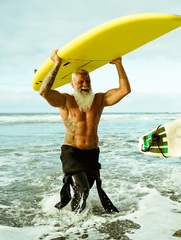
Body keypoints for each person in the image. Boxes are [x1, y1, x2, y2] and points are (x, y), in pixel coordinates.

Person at [39, 49, 131, 213]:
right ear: (72, 84)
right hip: (72, 152)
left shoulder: (99, 100)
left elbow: (124, 90)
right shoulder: (65, 100)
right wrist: (57, 64)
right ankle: (77, 225)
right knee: (82, 189)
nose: (85, 84)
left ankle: (71, 220)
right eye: (80, 82)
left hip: (92, 154)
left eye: (87, 80)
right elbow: (44, 92)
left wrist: (118, 64)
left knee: (83, 192)